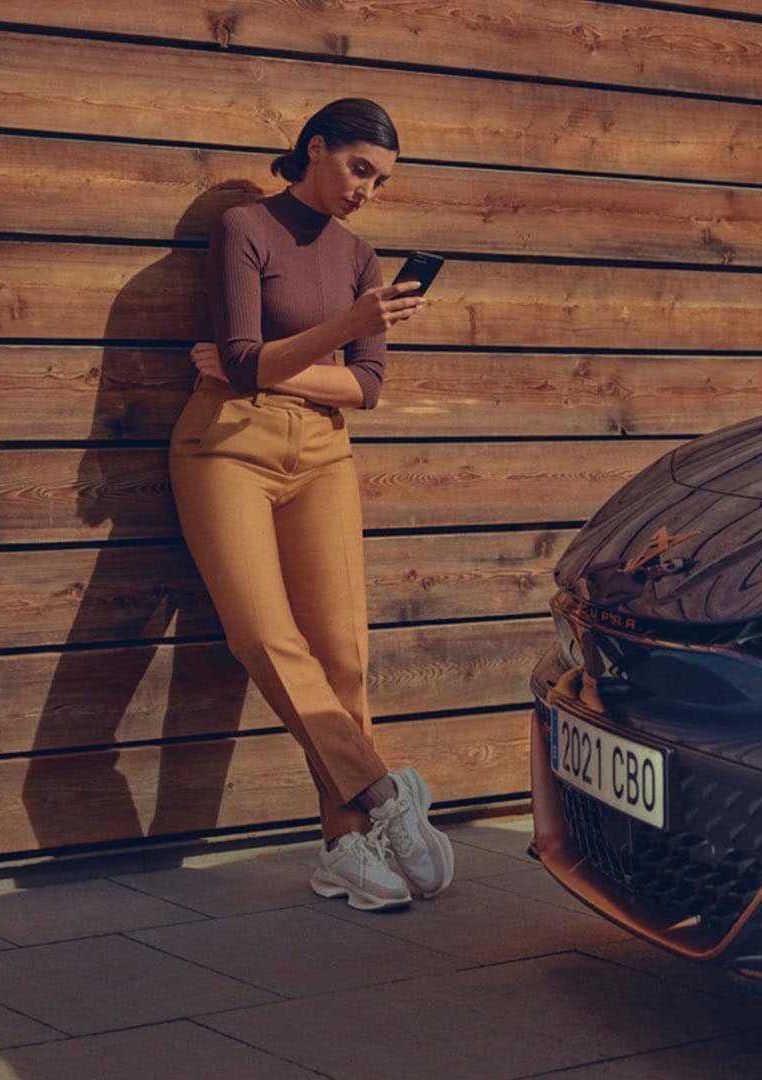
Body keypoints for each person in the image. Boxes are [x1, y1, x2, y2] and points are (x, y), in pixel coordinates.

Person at [168, 98, 454, 911]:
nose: (367, 189)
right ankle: (383, 791)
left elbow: (364, 388)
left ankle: (342, 849)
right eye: (359, 168)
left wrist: (263, 365)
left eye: (382, 179)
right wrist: (326, 336)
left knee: (343, 658)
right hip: (226, 446)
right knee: (263, 634)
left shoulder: (363, 258)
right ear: (316, 149)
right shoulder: (245, 228)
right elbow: (242, 360)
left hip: (323, 452)